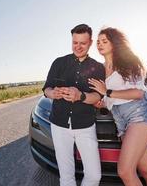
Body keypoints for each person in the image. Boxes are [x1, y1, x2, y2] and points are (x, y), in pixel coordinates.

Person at [88, 27, 147, 186]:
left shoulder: (129, 62)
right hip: (120, 120)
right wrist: (101, 103)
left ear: (114, 43)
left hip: (139, 114)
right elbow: (110, 99)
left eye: (104, 41)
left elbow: (138, 93)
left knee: (125, 171)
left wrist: (107, 91)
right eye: (98, 42)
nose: (100, 44)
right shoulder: (100, 69)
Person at [42, 24, 105, 186]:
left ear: (90, 42)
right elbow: (46, 88)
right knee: (66, 176)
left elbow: (97, 96)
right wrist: (52, 93)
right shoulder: (59, 63)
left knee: (94, 175)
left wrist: (80, 96)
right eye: (75, 42)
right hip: (59, 125)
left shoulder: (98, 67)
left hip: (85, 125)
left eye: (82, 43)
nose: (78, 46)